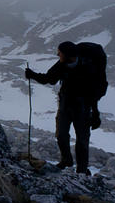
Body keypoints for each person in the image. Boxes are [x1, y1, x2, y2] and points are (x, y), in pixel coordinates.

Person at [25, 41, 98, 175]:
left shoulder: (87, 67)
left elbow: (93, 93)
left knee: (82, 140)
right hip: (65, 106)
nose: (58, 54)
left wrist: (95, 113)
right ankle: (67, 160)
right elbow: (49, 78)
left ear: (68, 54)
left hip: (82, 109)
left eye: (60, 52)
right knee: (61, 135)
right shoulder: (61, 64)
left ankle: (81, 169)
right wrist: (32, 75)